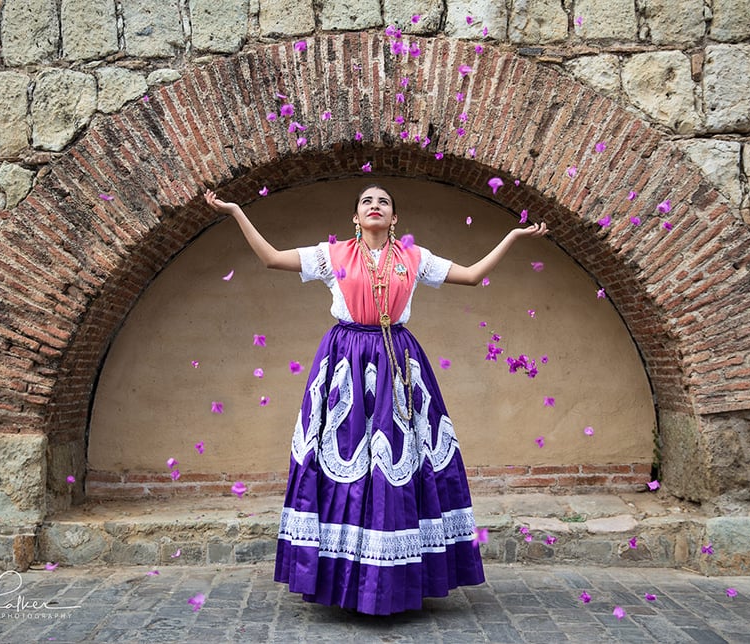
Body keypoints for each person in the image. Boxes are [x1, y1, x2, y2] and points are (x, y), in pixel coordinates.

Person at [204, 184, 549, 615]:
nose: (374, 206)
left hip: (398, 363)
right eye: (366, 201)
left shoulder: (414, 258)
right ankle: (345, 581)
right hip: (344, 363)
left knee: (397, 466)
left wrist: (513, 237)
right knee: (345, 465)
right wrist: (236, 210)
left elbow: (473, 274)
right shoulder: (331, 256)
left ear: (394, 218)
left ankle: (392, 580)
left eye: (383, 202)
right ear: (355, 217)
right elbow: (272, 258)